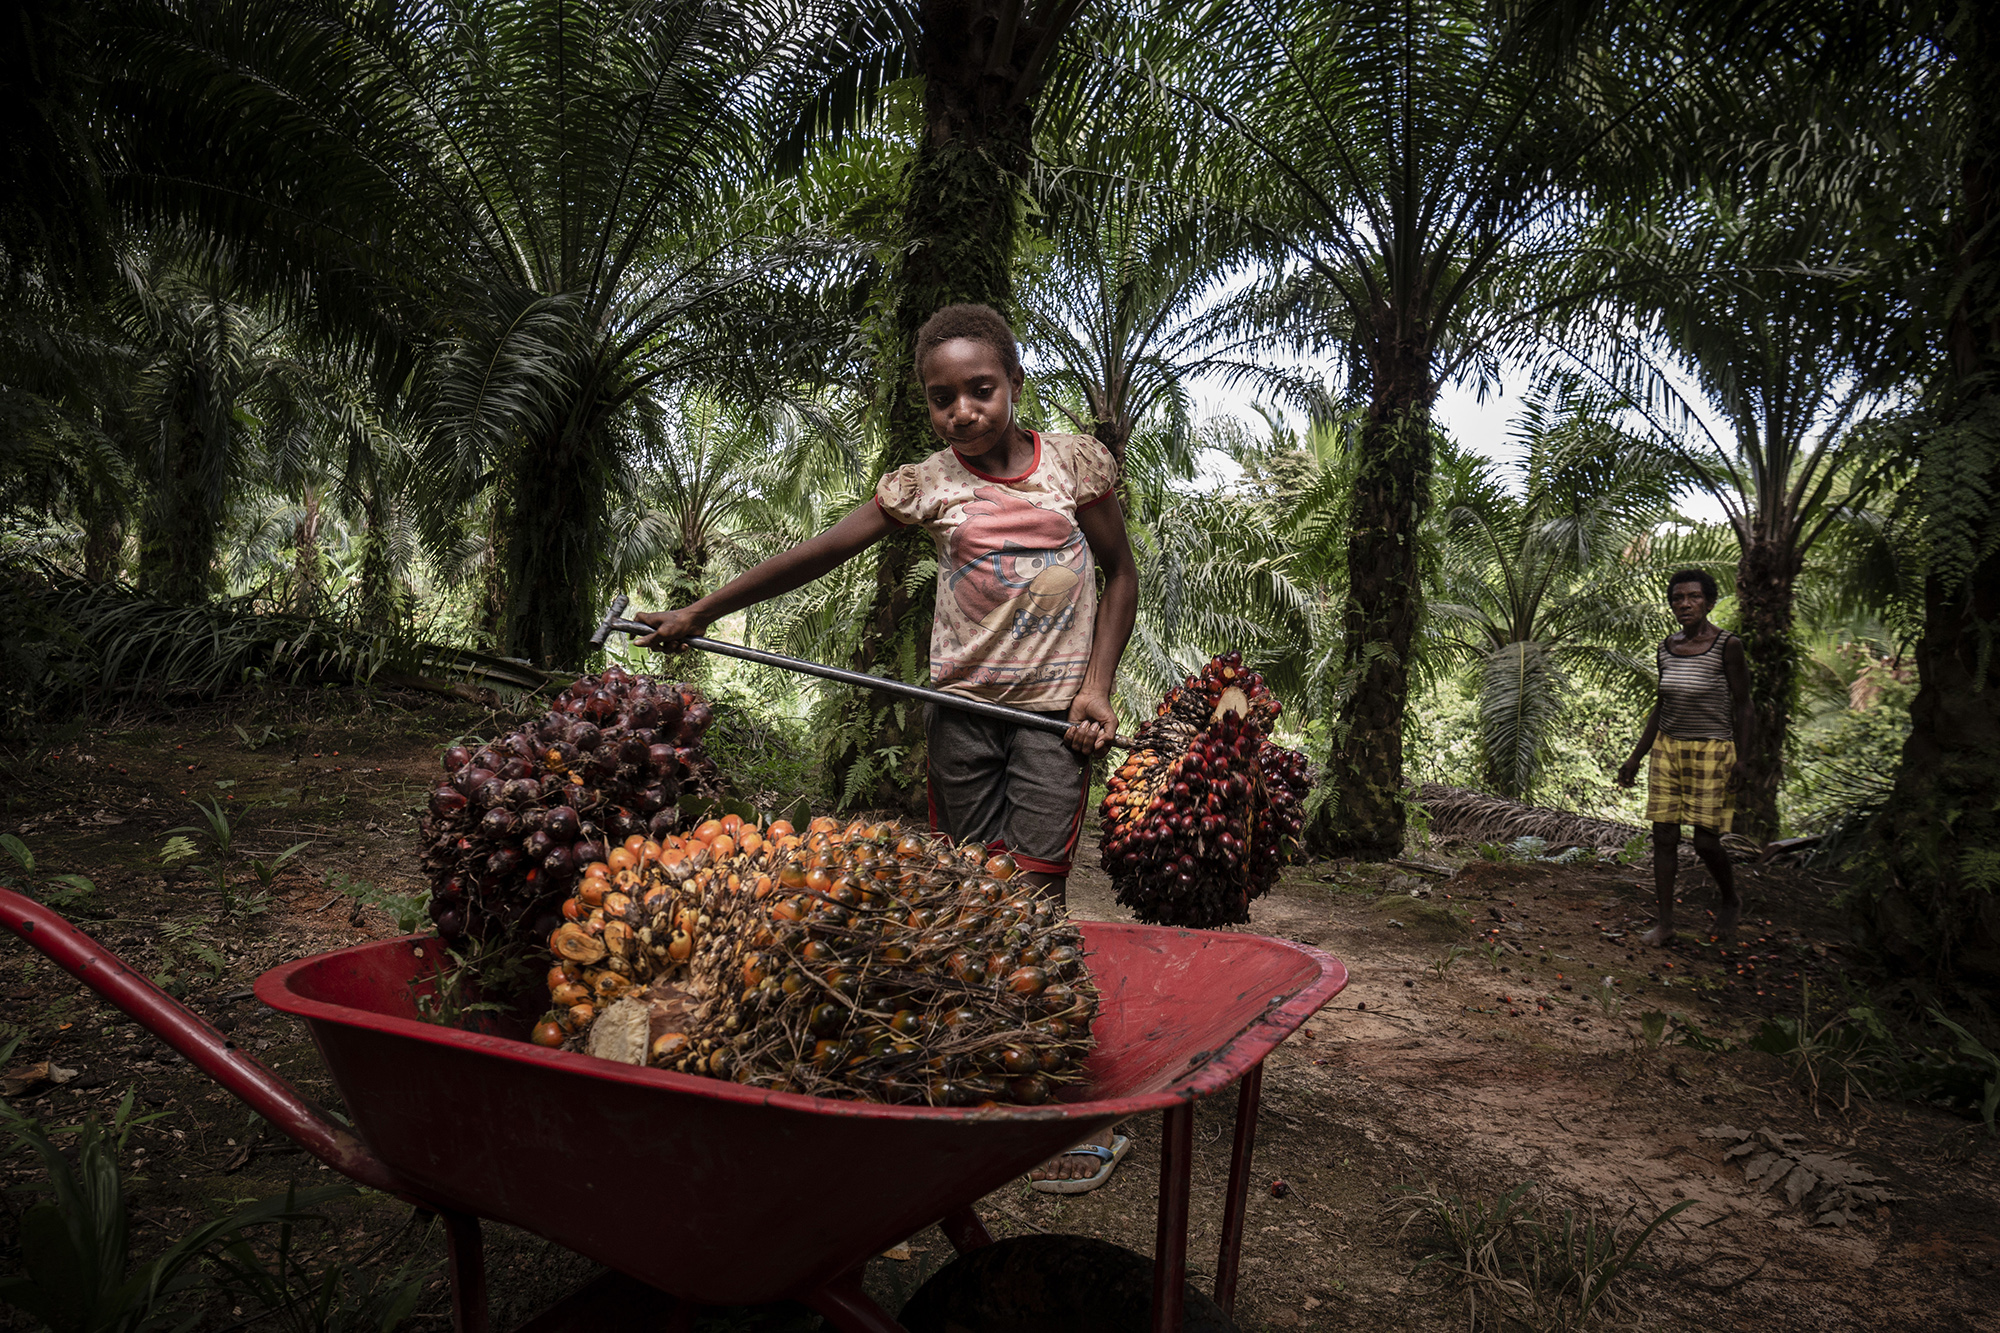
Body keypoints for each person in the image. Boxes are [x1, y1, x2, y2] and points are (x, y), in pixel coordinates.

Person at [632, 303, 1138, 1190]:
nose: (963, 412)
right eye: (942, 400)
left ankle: (1046, 1097)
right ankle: (967, 1065)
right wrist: (702, 610)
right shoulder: (929, 484)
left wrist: (1096, 687)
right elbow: (822, 550)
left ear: (1015, 385)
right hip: (960, 715)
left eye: (981, 390)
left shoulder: (1074, 469)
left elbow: (1120, 572)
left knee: (1035, 894)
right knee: (968, 890)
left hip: (1057, 719)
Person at [1616, 568, 1752, 949]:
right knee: (1664, 836)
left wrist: (1743, 759)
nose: (1685, 603)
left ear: (1709, 602)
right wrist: (1635, 758)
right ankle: (1665, 923)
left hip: (1713, 749)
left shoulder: (1728, 646)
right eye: (1678, 598)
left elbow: (1744, 706)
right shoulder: (1667, 647)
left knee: (1707, 842)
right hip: (1669, 748)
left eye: (1693, 597)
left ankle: (1730, 899)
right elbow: (1661, 706)